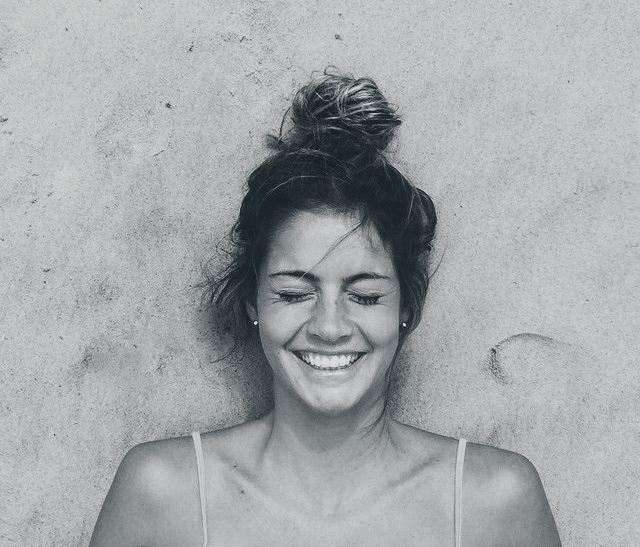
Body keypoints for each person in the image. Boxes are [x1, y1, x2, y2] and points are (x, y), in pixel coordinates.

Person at [89, 69, 561, 547]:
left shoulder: (495, 502)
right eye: (295, 294)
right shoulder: (163, 495)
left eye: (365, 296)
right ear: (253, 301)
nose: (330, 327)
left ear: (405, 306)